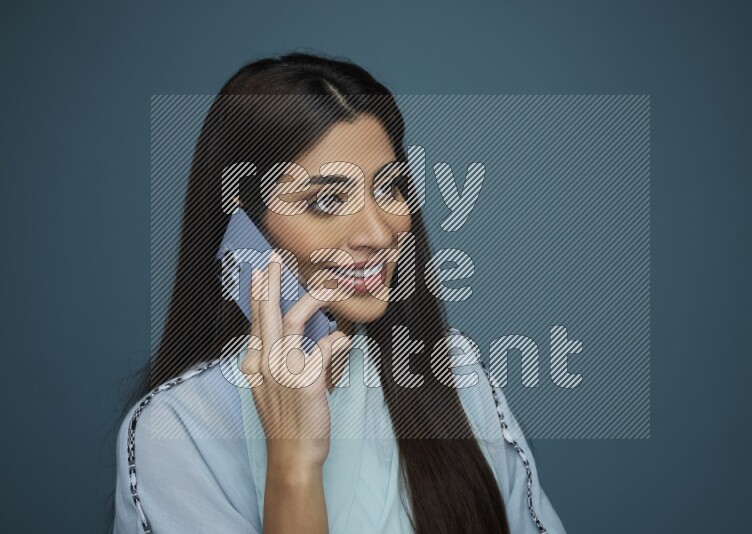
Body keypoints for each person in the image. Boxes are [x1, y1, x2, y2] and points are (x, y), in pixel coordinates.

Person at [111, 52, 567, 534]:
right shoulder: (175, 429)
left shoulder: (455, 372)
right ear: (245, 227)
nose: (378, 232)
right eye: (327, 200)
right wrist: (293, 463)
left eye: (389, 188)